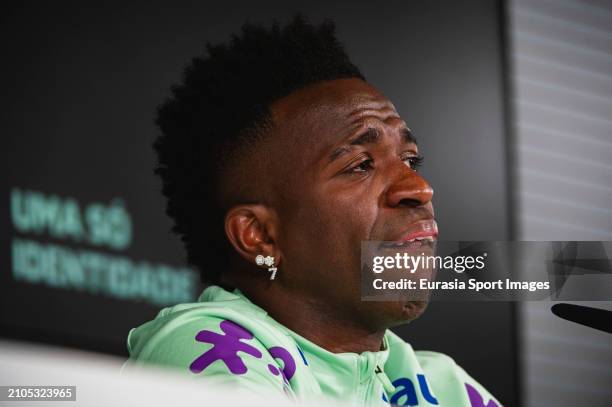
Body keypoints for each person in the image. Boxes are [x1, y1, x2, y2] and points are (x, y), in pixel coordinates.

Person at [124, 15, 501, 407]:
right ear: (260, 235)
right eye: (360, 165)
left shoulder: (441, 385)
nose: (419, 188)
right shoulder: (201, 343)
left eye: (411, 160)